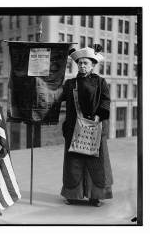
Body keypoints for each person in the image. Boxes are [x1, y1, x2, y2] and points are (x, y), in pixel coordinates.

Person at [60, 44, 113, 207]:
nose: (82, 66)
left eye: (86, 63)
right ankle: (73, 195)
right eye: (80, 63)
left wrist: (97, 117)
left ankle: (94, 196)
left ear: (93, 65)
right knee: (74, 161)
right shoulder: (70, 84)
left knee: (95, 162)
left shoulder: (100, 82)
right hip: (73, 128)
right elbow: (58, 97)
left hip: (94, 128)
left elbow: (105, 100)